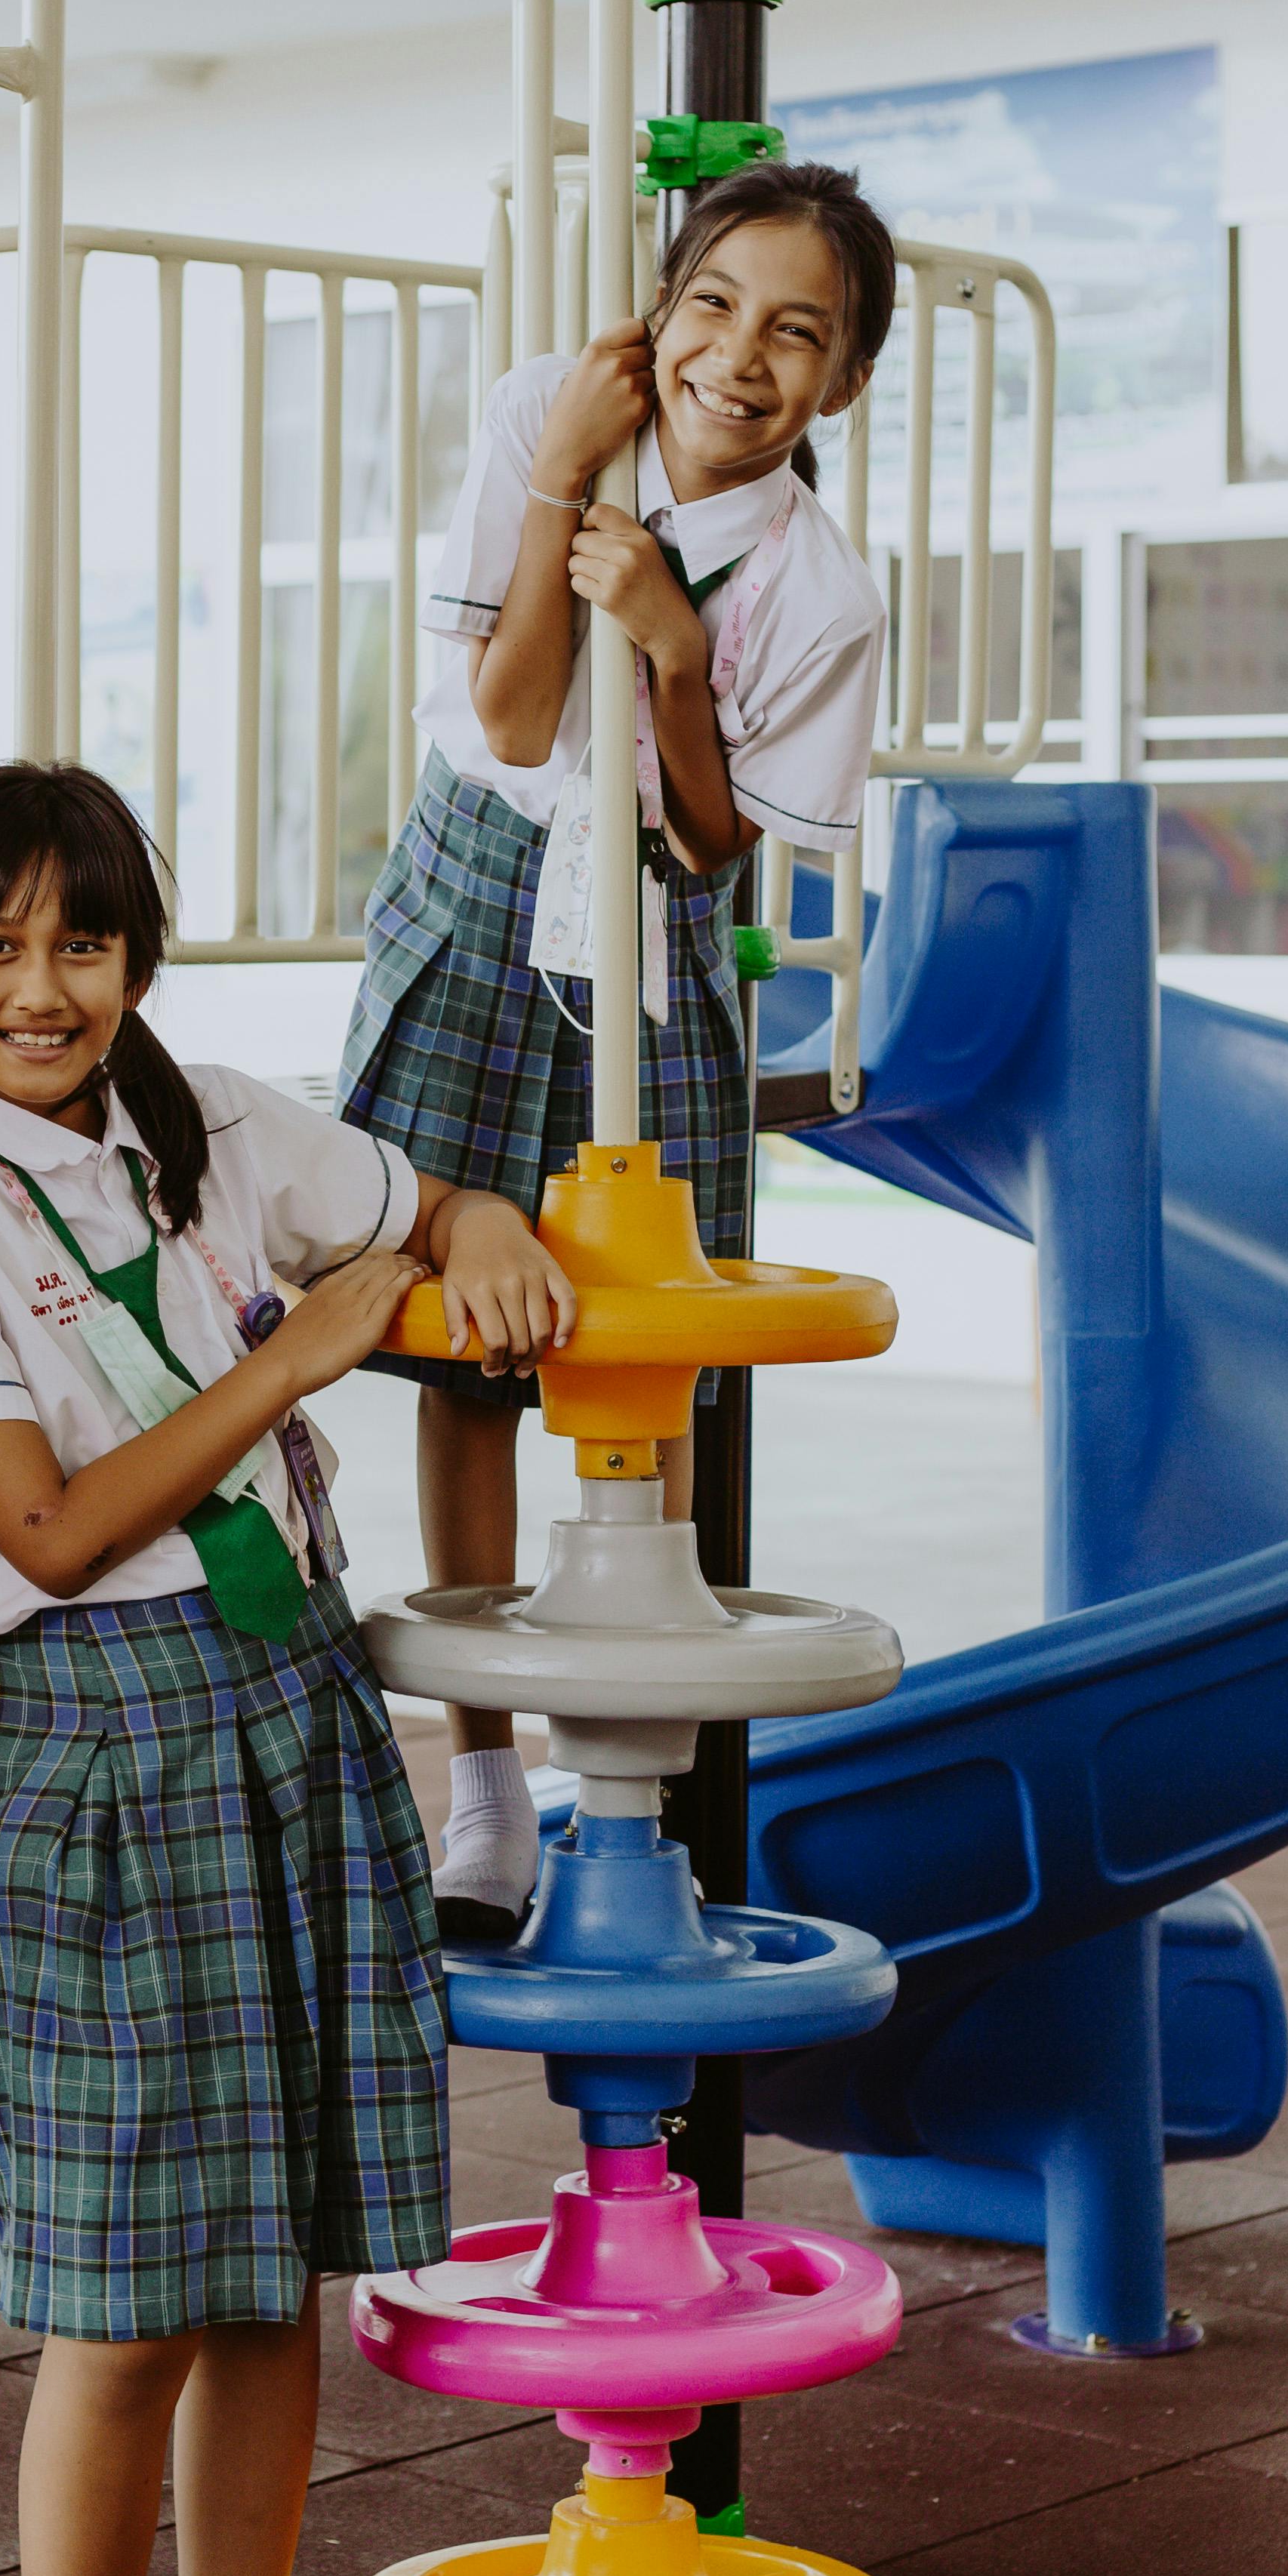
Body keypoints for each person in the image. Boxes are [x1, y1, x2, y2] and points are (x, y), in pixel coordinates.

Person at [0, 760, 574, 2576]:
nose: (43, 988)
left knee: (282, 2287)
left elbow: (427, 1197)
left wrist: (479, 1226)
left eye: (84, 941)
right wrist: (313, 1349)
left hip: (291, 1710)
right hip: (101, 1727)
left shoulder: (234, 1127)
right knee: (118, 2301)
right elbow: (50, 1531)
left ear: (139, 956)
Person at [339, 159, 897, 1942]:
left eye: (793, 334)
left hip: (646, 925)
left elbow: (714, 848)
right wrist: (560, 486)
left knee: (632, 1340)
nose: (738, 358)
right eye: (714, 306)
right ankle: (485, 1777)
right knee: (459, 1344)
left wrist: (666, 647)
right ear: (662, 309)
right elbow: (506, 716)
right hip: (480, 869)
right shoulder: (543, 410)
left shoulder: (818, 590)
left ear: (843, 383)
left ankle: (622, 1773)